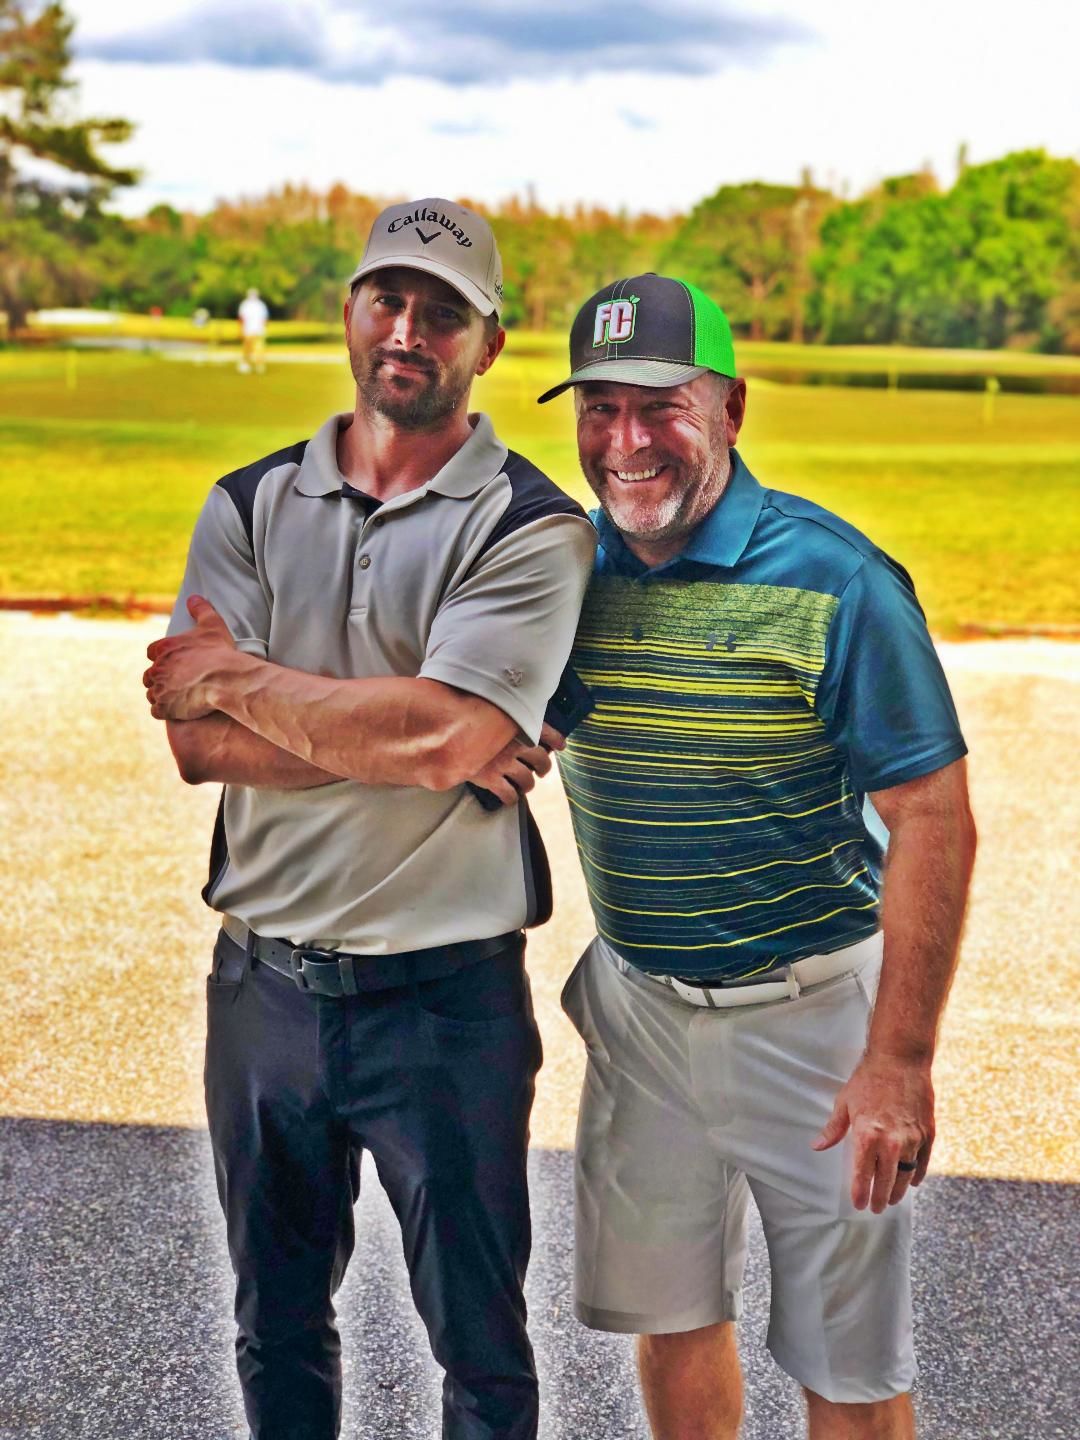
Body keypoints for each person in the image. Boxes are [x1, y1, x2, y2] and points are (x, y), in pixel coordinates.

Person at [141, 198, 596, 1440]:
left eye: (443, 312)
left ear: (489, 343)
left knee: (481, 1349)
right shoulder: (248, 502)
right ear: (349, 311)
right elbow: (196, 747)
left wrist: (238, 677)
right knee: (276, 1325)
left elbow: (438, 736)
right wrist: (425, 737)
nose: (408, 330)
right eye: (387, 299)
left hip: (446, 1001)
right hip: (264, 991)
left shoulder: (533, 524)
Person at [503, 273, 977, 1439]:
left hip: (815, 1027)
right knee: (670, 1321)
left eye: (661, 406)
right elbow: (495, 735)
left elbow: (934, 817)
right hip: (640, 1014)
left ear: (731, 408)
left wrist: (899, 1062)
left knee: (849, 1367)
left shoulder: (838, 580)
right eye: (601, 408)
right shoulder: (566, 572)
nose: (626, 442)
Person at [237, 286, 269, 373]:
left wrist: (240, 329)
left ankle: (256, 364)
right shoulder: (248, 304)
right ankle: (248, 364)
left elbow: (264, 319)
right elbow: (242, 318)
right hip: (250, 329)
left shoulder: (258, 305)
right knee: (250, 348)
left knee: (257, 348)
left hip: (255, 329)